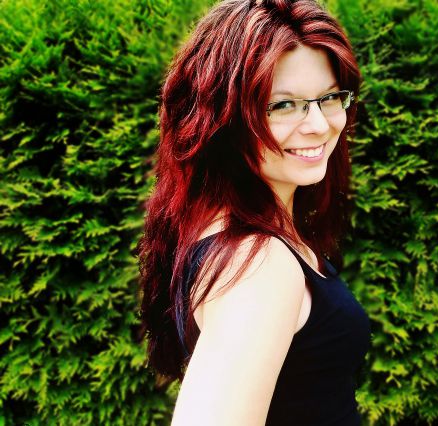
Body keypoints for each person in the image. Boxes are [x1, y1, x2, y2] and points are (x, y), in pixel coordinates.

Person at [136, 0, 371, 424]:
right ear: (221, 118)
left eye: (329, 97)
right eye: (283, 105)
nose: (319, 125)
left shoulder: (255, 236)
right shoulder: (259, 265)